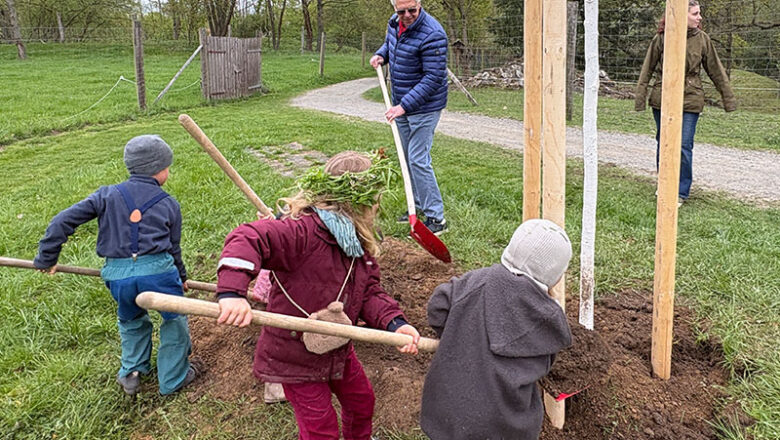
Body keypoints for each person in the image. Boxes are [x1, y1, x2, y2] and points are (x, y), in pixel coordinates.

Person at [215, 151, 420, 440]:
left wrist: (396, 324)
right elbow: (249, 236)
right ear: (357, 203)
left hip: (337, 347)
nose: (377, 207)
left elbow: (370, 292)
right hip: (293, 354)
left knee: (362, 403)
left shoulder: (357, 243)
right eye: (375, 200)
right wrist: (232, 292)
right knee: (320, 429)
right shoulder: (302, 233)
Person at [33, 135, 196, 396]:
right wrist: (182, 276)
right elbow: (173, 247)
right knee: (174, 319)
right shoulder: (169, 204)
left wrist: (46, 258)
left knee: (131, 319)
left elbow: (62, 221)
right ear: (160, 169)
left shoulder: (105, 195)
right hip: (159, 272)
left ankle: (132, 371)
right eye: (168, 166)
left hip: (118, 274)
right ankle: (173, 379)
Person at [420, 219, 573, 440]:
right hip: (506, 426)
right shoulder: (548, 320)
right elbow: (544, 362)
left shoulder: (475, 282)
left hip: (449, 414)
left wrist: (458, 332)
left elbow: (437, 308)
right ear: (556, 276)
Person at [635, 0, 736, 206]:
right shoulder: (661, 39)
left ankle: (680, 191)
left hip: (691, 99)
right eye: (695, 14)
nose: (700, 18)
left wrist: (728, 99)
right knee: (664, 143)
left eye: (699, 13)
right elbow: (647, 69)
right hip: (662, 99)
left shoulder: (703, 40)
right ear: (682, 15)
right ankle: (664, 185)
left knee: (683, 145)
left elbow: (716, 71)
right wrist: (640, 98)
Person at [370, 0, 449, 235]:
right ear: (394, 8)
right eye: (401, 11)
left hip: (424, 107)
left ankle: (436, 217)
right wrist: (381, 55)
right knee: (406, 158)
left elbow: (433, 78)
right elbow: (391, 45)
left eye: (412, 10)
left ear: (420, 4)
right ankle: (416, 207)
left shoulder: (433, 34)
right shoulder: (394, 23)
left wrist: (403, 106)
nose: (407, 15)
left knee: (417, 159)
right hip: (401, 103)